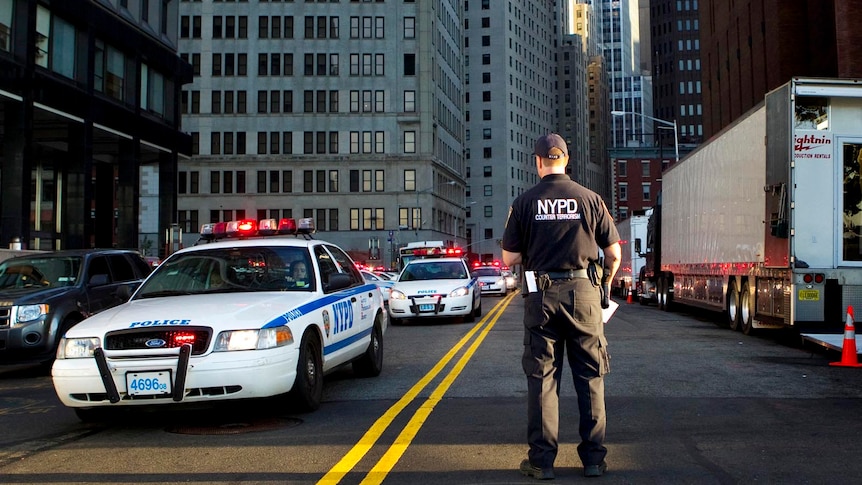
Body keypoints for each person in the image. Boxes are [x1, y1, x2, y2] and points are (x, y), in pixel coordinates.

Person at [501, 133, 621, 480]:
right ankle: (594, 460)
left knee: (542, 380)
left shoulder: (524, 203)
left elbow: (509, 256)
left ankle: (542, 462)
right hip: (584, 293)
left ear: (537, 162)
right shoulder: (590, 199)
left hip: (541, 295)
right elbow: (613, 253)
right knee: (591, 379)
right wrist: (605, 286)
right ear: (566, 160)